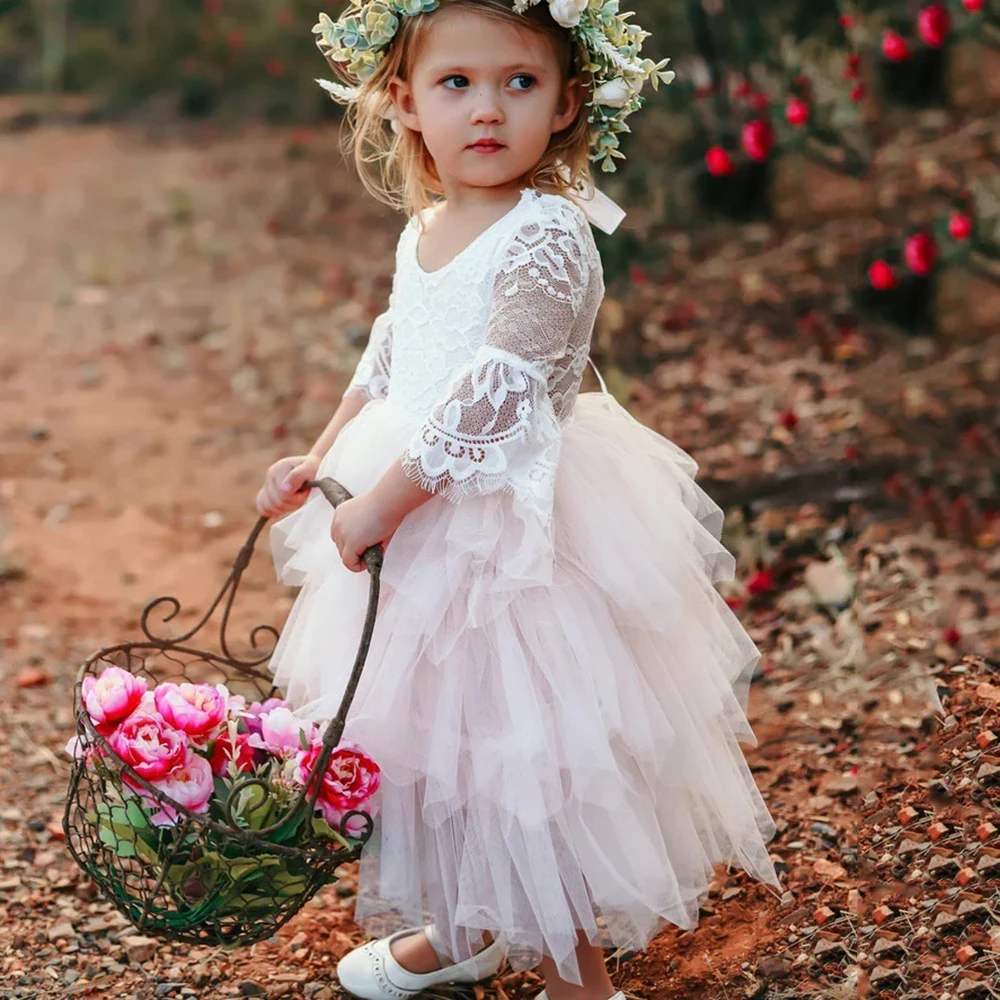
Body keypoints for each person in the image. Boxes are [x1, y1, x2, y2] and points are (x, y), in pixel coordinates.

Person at [255, 2, 780, 999]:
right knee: (433, 746)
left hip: (510, 528)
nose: (486, 109)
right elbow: (393, 349)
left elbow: (496, 388)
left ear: (567, 103)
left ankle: (579, 981)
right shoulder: (425, 228)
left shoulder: (548, 232)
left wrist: (387, 505)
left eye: (518, 83)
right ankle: (464, 925)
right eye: (457, 84)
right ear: (404, 103)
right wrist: (316, 458)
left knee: (519, 760)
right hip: (412, 503)